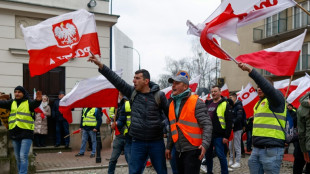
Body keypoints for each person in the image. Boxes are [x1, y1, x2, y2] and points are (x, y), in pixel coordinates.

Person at [88, 55, 169, 174]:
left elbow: (170, 116)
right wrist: (100, 65)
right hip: (137, 142)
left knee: (162, 171)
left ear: (146, 81)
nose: (133, 80)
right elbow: (116, 80)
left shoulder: (159, 96)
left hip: (156, 142)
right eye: (133, 78)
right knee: (134, 171)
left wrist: (164, 128)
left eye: (137, 78)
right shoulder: (132, 92)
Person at [238, 63, 286, 174]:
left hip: (272, 149)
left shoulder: (276, 99)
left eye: (262, 86)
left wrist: (251, 71)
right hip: (257, 148)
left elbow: (268, 89)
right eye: (258, 87)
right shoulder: (259, 104)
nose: (259, 89)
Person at [165, 75, 212, 174]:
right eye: (173, 83)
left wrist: (205, 144)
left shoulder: (196, 102)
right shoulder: (172, 104)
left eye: (177, 83)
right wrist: (168, 147)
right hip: (178, 150)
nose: (173, 86)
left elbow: (207, 125)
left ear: (185, 87)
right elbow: (173, 127)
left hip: (193, 149)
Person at [0, 86, 42, 174]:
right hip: (15, 133)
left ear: (23, 93)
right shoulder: (11, 102)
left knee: (23, 155)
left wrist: (38, 101)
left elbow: (35, 104)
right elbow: (1, 104)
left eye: (19, 92)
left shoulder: (28, 102)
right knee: (17, 157)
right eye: (15, 92)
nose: (17, 93)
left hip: (26, 133)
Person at [205, 85, 233, 174]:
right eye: (212, 92)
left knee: (221, 156)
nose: (213, 93)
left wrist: (226, 136)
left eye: (215, 91)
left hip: (219, 135)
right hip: (209, 135)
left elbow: (229, 121)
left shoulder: (225, 104)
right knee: (208, 156)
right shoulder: (208, 103)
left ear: (220, 92)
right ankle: (209, 172)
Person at [108, 92, 131, 174]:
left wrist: (116, 123)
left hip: (129, 137)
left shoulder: (130, 104)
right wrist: (113, 123)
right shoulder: (117, 106)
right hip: (119, 136)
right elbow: (119, 119)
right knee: (113, 159)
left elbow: (122, 119)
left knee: (129, 160)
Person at [228, 92, 245, 168]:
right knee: (230, 146)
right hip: (231, 129)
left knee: (237, 146)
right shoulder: (230, 106)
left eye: (231, 97)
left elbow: (239, 117)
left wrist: (233, 122)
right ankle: (231, 160)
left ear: (235, 97)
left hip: (237, 128)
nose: (229, 99)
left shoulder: (239, 106)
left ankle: (238, 161)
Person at [297, 92, 310, 174]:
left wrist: (304, 151)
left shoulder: (302, 108)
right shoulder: (303, 108)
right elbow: (301, 132)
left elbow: (301, 132)